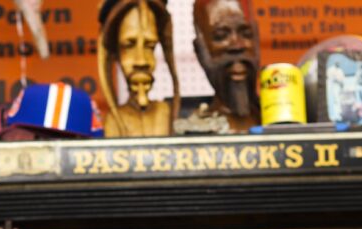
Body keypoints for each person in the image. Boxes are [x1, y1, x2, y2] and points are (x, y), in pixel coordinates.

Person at [97, 0, 179, 137]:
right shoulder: (111, 122)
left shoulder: (167, 116)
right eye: (129, 45)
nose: (141, 61)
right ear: (115, 54)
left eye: (150, 46)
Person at [188, 0, 260, 133]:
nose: (237, 45)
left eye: (246, 34)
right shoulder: (193, 130)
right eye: (221, 36)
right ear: (200, 50)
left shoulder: (280, 121)